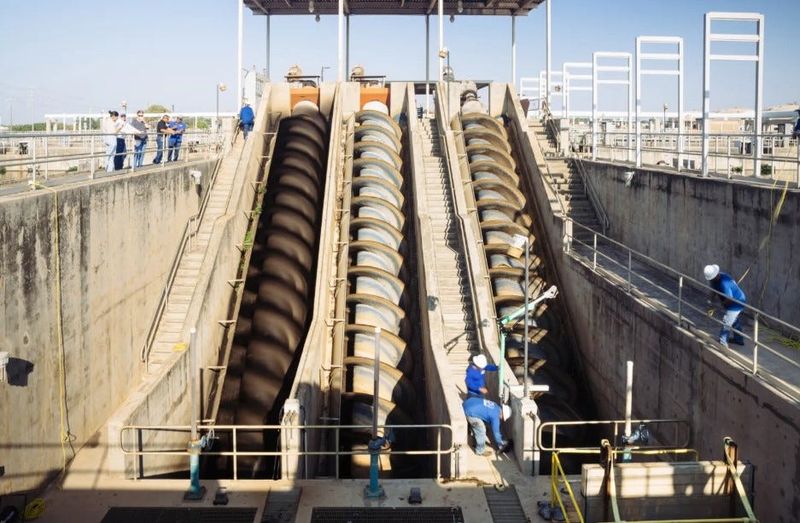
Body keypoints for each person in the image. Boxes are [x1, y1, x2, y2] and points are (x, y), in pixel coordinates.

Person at [704, 264, 746, 347]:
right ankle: (739, 340)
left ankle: (723, 343)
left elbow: (729, 299)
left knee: (727, 321)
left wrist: (721, 305)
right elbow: (713, 290)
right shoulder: (714, 280)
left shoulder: (724, 283)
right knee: (734, 321)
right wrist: (710, 301)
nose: (711, 280)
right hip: (733, 300)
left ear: (716, 275)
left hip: (736, 302)